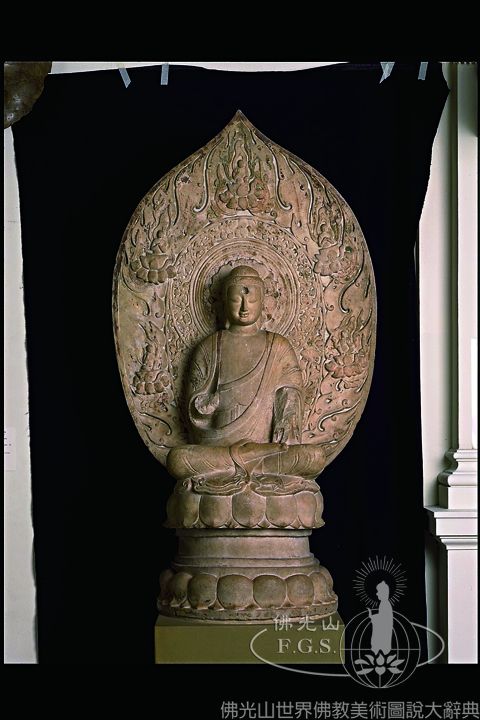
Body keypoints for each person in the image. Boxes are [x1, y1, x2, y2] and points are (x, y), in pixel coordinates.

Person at [167, 266, 325, 485]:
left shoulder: (278, 346)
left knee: (314, 457)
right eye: (235, 301)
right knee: (179, 459)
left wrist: (287, 419)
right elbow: (194, 408)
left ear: (264, 303)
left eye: (252, 300)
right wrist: (207, 405)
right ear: (224, 303)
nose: (244, 307)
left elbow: (292, 394)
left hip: (267, 450)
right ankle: (247, 462)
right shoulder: (210, 347)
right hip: (221, 449)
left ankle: (247, 462)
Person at [368, 580, 394, 654]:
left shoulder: (385, 604)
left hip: (384, 632)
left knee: (380, 646)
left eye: (378, 592)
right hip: (382, 630)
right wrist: (373, 617)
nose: (377, 594)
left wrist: (372, 617)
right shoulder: (383, 603)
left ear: (384, 593)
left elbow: (384, 619)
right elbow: (382, 616)